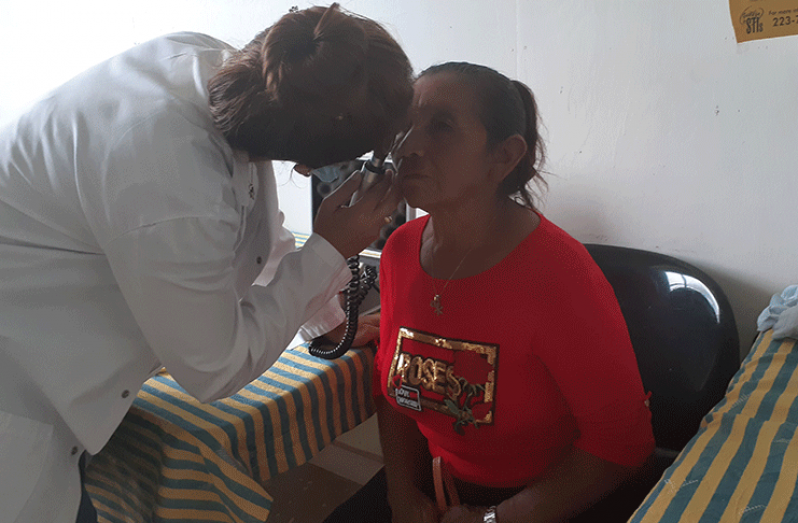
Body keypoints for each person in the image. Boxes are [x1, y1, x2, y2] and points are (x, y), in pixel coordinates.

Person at [0, 4, 412, 523]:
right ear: (309, 167)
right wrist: (330, 250)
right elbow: (213, 369)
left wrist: (327, 324)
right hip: (15, 404)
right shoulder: (167, 177)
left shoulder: (215, 65)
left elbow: (255, 229)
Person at [324, 62, 655, 523]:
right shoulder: (399, 249)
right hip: (438, 486)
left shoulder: (557, 272)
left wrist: (497, 518)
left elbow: (623, 443)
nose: (409, 147)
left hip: (548, 500)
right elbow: (391, 389)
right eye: (404, 127)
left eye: (440, 128)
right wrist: (402, 494)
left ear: (503, 157)